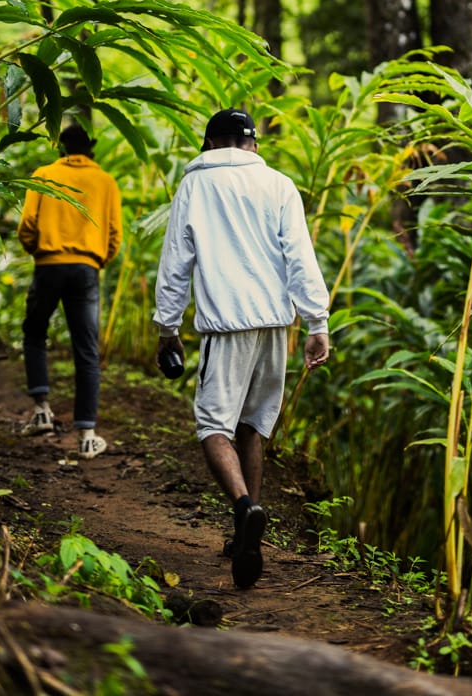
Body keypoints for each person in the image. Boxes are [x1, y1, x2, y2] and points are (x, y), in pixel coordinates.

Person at [153, 108, 330, 589]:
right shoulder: (279, 185)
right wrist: (318, 321)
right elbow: (300, 254)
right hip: (276, 324)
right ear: (252, 145)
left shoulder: (195, 185)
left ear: (210, 144)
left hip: (226, 325)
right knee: (253, 426)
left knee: (214, 426)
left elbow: (176, 262)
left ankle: (245, 508)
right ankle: (244, 534)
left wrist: (167, 328)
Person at [17, 122, 123, 460]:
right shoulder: (105, 181)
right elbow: (114, 234)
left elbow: (27, 225)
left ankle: (42, 411)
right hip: (85, 269)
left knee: (35, 333)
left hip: (48, 265)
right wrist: (95, 260)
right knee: (87, 350)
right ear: (90, 148)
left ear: (61, 147)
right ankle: (88, 436)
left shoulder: (44, 174)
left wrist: (40, 251)